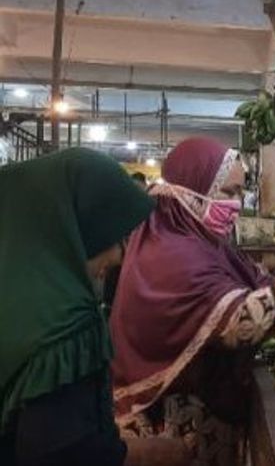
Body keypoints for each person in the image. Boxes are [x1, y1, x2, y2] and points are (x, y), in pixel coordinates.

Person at [110, 137, 275, 465]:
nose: (236, 203)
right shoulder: (173, 255)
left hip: (201, 406)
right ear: (193, 188)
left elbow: (261, 288)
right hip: (170, 423)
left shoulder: (198, 240)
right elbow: (245, 319)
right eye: (229, 192)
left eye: (240, 192)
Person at [0, 148, 190, 466]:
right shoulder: (64, 329)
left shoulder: (18, 298)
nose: (118, 257)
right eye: (110, 238)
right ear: (68, 228)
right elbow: (65, 454)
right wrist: (158, 453)